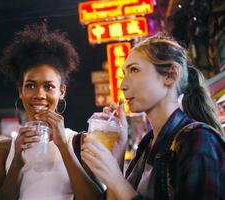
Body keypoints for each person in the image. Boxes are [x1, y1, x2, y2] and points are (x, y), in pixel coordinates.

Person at [81, 33, 225, 200]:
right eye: (124, 74)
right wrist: (118, 157)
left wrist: (117, 180)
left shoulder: (198, 140)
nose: (122, 85)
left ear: (170, 76)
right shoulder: (147, 145)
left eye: (134, 70)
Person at [0, 23, 105, 200]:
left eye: (49, 86)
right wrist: (17, 162)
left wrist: (63, 146)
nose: (39, 95)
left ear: (62, 92)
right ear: (20, 91)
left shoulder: (81, 143)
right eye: (30, 86)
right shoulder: (3, 149)